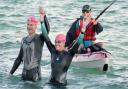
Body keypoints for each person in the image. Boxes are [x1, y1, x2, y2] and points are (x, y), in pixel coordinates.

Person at [40, 9, 79, 86]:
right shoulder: (53, 51)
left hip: (61, 85)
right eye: (56, 42)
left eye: (59, 42)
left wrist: (82, 32)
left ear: (64, 43)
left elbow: (79, 42)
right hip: (50, 83)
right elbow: (45, 36)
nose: (57, 44)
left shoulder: (69, 54)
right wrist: (41, 21)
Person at [9, 7, 50, 82]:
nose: (29, 27)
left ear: (35, 26)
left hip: (35, 77)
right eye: (28, 24)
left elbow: (46, 31)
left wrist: (44, 17)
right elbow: (19, 59)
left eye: (31, 25)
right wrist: (10, 73)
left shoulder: (39, 38)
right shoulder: (23, 40)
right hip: (24, 75)